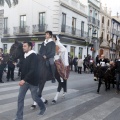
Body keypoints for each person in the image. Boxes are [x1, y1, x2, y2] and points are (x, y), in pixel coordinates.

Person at [15, 42, 46, 120]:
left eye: (25, 46)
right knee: (20, 99)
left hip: (33, 81)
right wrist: (17, 64)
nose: (23, 47)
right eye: (23, 46)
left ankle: (43, 107)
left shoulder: (34, 56)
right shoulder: (25, 56)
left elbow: (32, 70)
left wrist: (24, 80)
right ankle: (19, 117)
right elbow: (24, 67)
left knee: (35, 98)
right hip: (24, 81)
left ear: (30, 47)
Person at [52, 35, 70, 104]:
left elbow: (64, 50)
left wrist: (59, 53)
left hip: (57, 59)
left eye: (53, 38)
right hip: (52, 58)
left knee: (59, 68)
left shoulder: (58, 44)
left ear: (55, 38)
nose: (52, 39)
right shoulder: (52, 44)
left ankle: (61, 76)